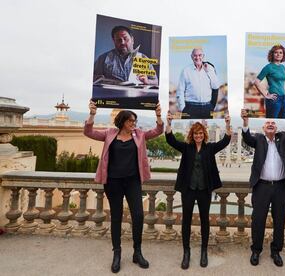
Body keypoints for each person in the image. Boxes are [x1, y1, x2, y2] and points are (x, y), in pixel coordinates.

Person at [84, 100, 164, 273]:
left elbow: (158, 131)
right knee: (116, 217)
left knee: (138, 215)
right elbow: (88, 131)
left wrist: (158, 115)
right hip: (113, 182)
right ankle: (117, 254)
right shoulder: (109, 134)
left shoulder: (139, 134)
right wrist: (92, 113)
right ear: (122, 122)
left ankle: (137, 252)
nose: (133, 124)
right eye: (130, 121)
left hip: (133, 181)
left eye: (134, 121)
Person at [241, 105, 285, 267]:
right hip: (262, 187)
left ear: (276, 127)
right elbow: (247, 139)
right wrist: (245, 121)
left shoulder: (283, 138)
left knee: (279, 220)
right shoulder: (258, 139)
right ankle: (256, 250)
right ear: (263, 128)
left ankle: (276, 251)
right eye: (267, 123)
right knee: (258, 220)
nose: (270, 124)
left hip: (280, 187)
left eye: (272, 123)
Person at [165, 113, 232, 269]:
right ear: (192, 135)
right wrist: (169, 123)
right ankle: (186, 252)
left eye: (201, 133)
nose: (198, 136)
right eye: (196, 133)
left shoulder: (210, 148)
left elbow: (225, 141)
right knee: (186, 221)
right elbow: (171, 140)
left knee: (204, 221)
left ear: (204, 134)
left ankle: (203, 252)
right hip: (188, 189)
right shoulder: (186, 147)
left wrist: (227, 125)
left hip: (204, 190)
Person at [93, 25, 158, 85]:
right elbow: (93, 78)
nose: (122, 42)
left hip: (137, 96)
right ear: (114, 41)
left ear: (132, 40)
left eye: (125, 38)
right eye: (118, 40)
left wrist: (147, 81)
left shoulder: (144, 58)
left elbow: (155, 81)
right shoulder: (103, 58)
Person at [175, 48, 221, 119]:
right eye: (195, 55)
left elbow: (215, 86)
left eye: (200, 55)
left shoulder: (210, 68)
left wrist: (208, 71)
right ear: (191, 57)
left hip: (207, 108)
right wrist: (183, 109)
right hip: (190, 108)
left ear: (203, 56)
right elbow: (180, 91)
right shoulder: (186, 71)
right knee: (188, 130)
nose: (197, 57)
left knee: (206, 130)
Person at [254, 44, 285, 118]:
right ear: (272, 54)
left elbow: (281, 81)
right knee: (272, 122)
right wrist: (266, 95)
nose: (278, 54)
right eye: (276, 52)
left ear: (283, 55)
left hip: (284, 98)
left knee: (282, 123)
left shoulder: (282, 67)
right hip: (274, 99)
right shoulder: (268, 67)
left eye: (281, 52)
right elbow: (256, 82)